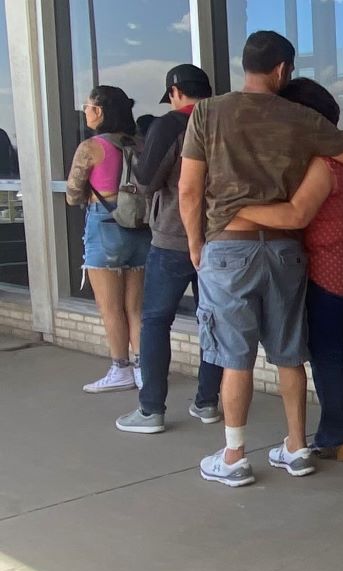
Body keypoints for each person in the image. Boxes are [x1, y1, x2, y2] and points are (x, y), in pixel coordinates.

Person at [179, 31, 343, 487]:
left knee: (235, 356)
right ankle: (297, 446)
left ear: (245, 64)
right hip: (286, 249)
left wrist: (196, 244)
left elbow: (188, 190)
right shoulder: (302, 118)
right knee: (290, 354)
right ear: (283, 70)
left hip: (229, 247)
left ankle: (234, 456)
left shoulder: (208, 112)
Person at [236, 78, 343, 462]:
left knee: (327, 353)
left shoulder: (321, 162)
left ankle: (338, 435)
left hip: (327, 269)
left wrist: (233, 209)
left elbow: (296, 213)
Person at [115, 64, 224, 434]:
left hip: (175, 236)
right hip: (226, 236)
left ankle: (151, 410)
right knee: (214, 320)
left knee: (156, 320)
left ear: (176, 92)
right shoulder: (226, 121)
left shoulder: (170, 124)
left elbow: (147, 180)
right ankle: (208, 402)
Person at [65, 85, 151, 393]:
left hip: (105, 225)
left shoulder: (91, 147)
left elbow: (73, 195)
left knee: (110, 307)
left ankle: (120, 369)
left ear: (99, 111)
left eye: (88, 106)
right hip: (140, 227)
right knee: (136, 307)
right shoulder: (140, 144)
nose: (85, 111)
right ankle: (143, 369)